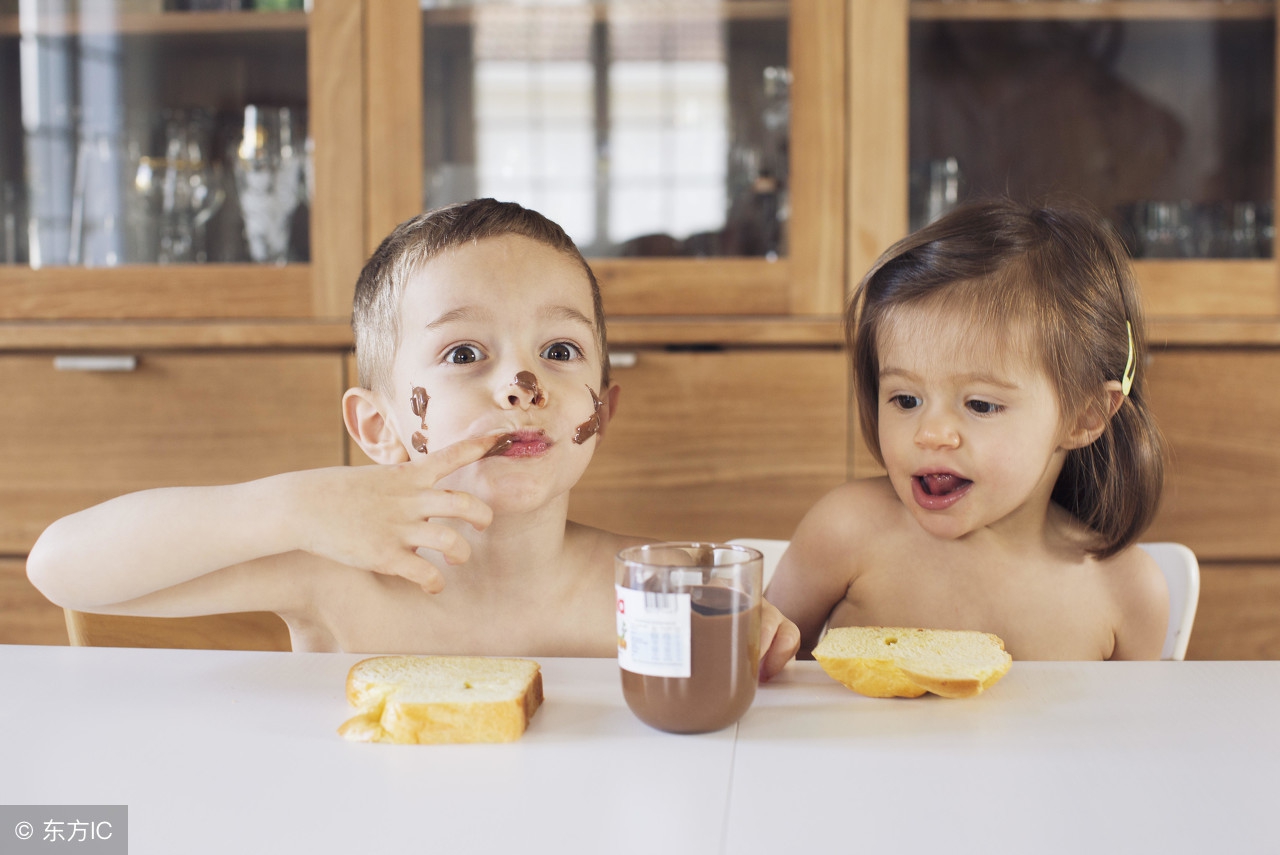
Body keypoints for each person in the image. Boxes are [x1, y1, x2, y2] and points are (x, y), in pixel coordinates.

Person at [27, 198, 799, 678]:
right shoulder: (332, 576)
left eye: (559, 352)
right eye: (465, 354)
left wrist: (759, 629)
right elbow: (59, 565)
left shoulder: (657, 590)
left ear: (603, 407)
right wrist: (295, 505)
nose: (520, 386)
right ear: (378, 427)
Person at [766, 198, 1168, 661]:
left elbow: (1131, 733)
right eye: (906, 400)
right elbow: (760, 677)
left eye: (980, 404)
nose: (931, 433)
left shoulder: (1127, 592)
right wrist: (750, 630)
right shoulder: (846, 531)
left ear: (1086, 416)